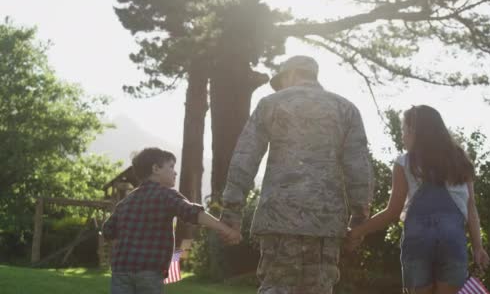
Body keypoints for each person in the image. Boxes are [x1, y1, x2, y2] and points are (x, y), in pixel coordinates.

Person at [220, 55, 374, 294]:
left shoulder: (270, 104)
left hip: (279, 218)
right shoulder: (345, 109)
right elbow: (358, 168)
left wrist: (231, 211)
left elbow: (245, 159)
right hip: (325, 221)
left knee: (277, 287)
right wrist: (359, 218)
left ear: (290, 75)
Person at [348, 105, 490, 294]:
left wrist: (356, 232)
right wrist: (478, 247)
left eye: (404, 130)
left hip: (418, 245)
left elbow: (392, 213)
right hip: (452, 244)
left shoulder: (405, 163)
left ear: (416, 132)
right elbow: (471, 208)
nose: (402, 136)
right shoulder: (460, 162)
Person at [102, 147, 241, 294]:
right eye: (171, 167)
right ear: (156, 169)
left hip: (121, 270)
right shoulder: (166, 195)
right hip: (149, 270)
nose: (175, 172)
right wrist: (225, 229)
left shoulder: (126, 202)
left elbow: (108, 230)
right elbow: (192, 213)